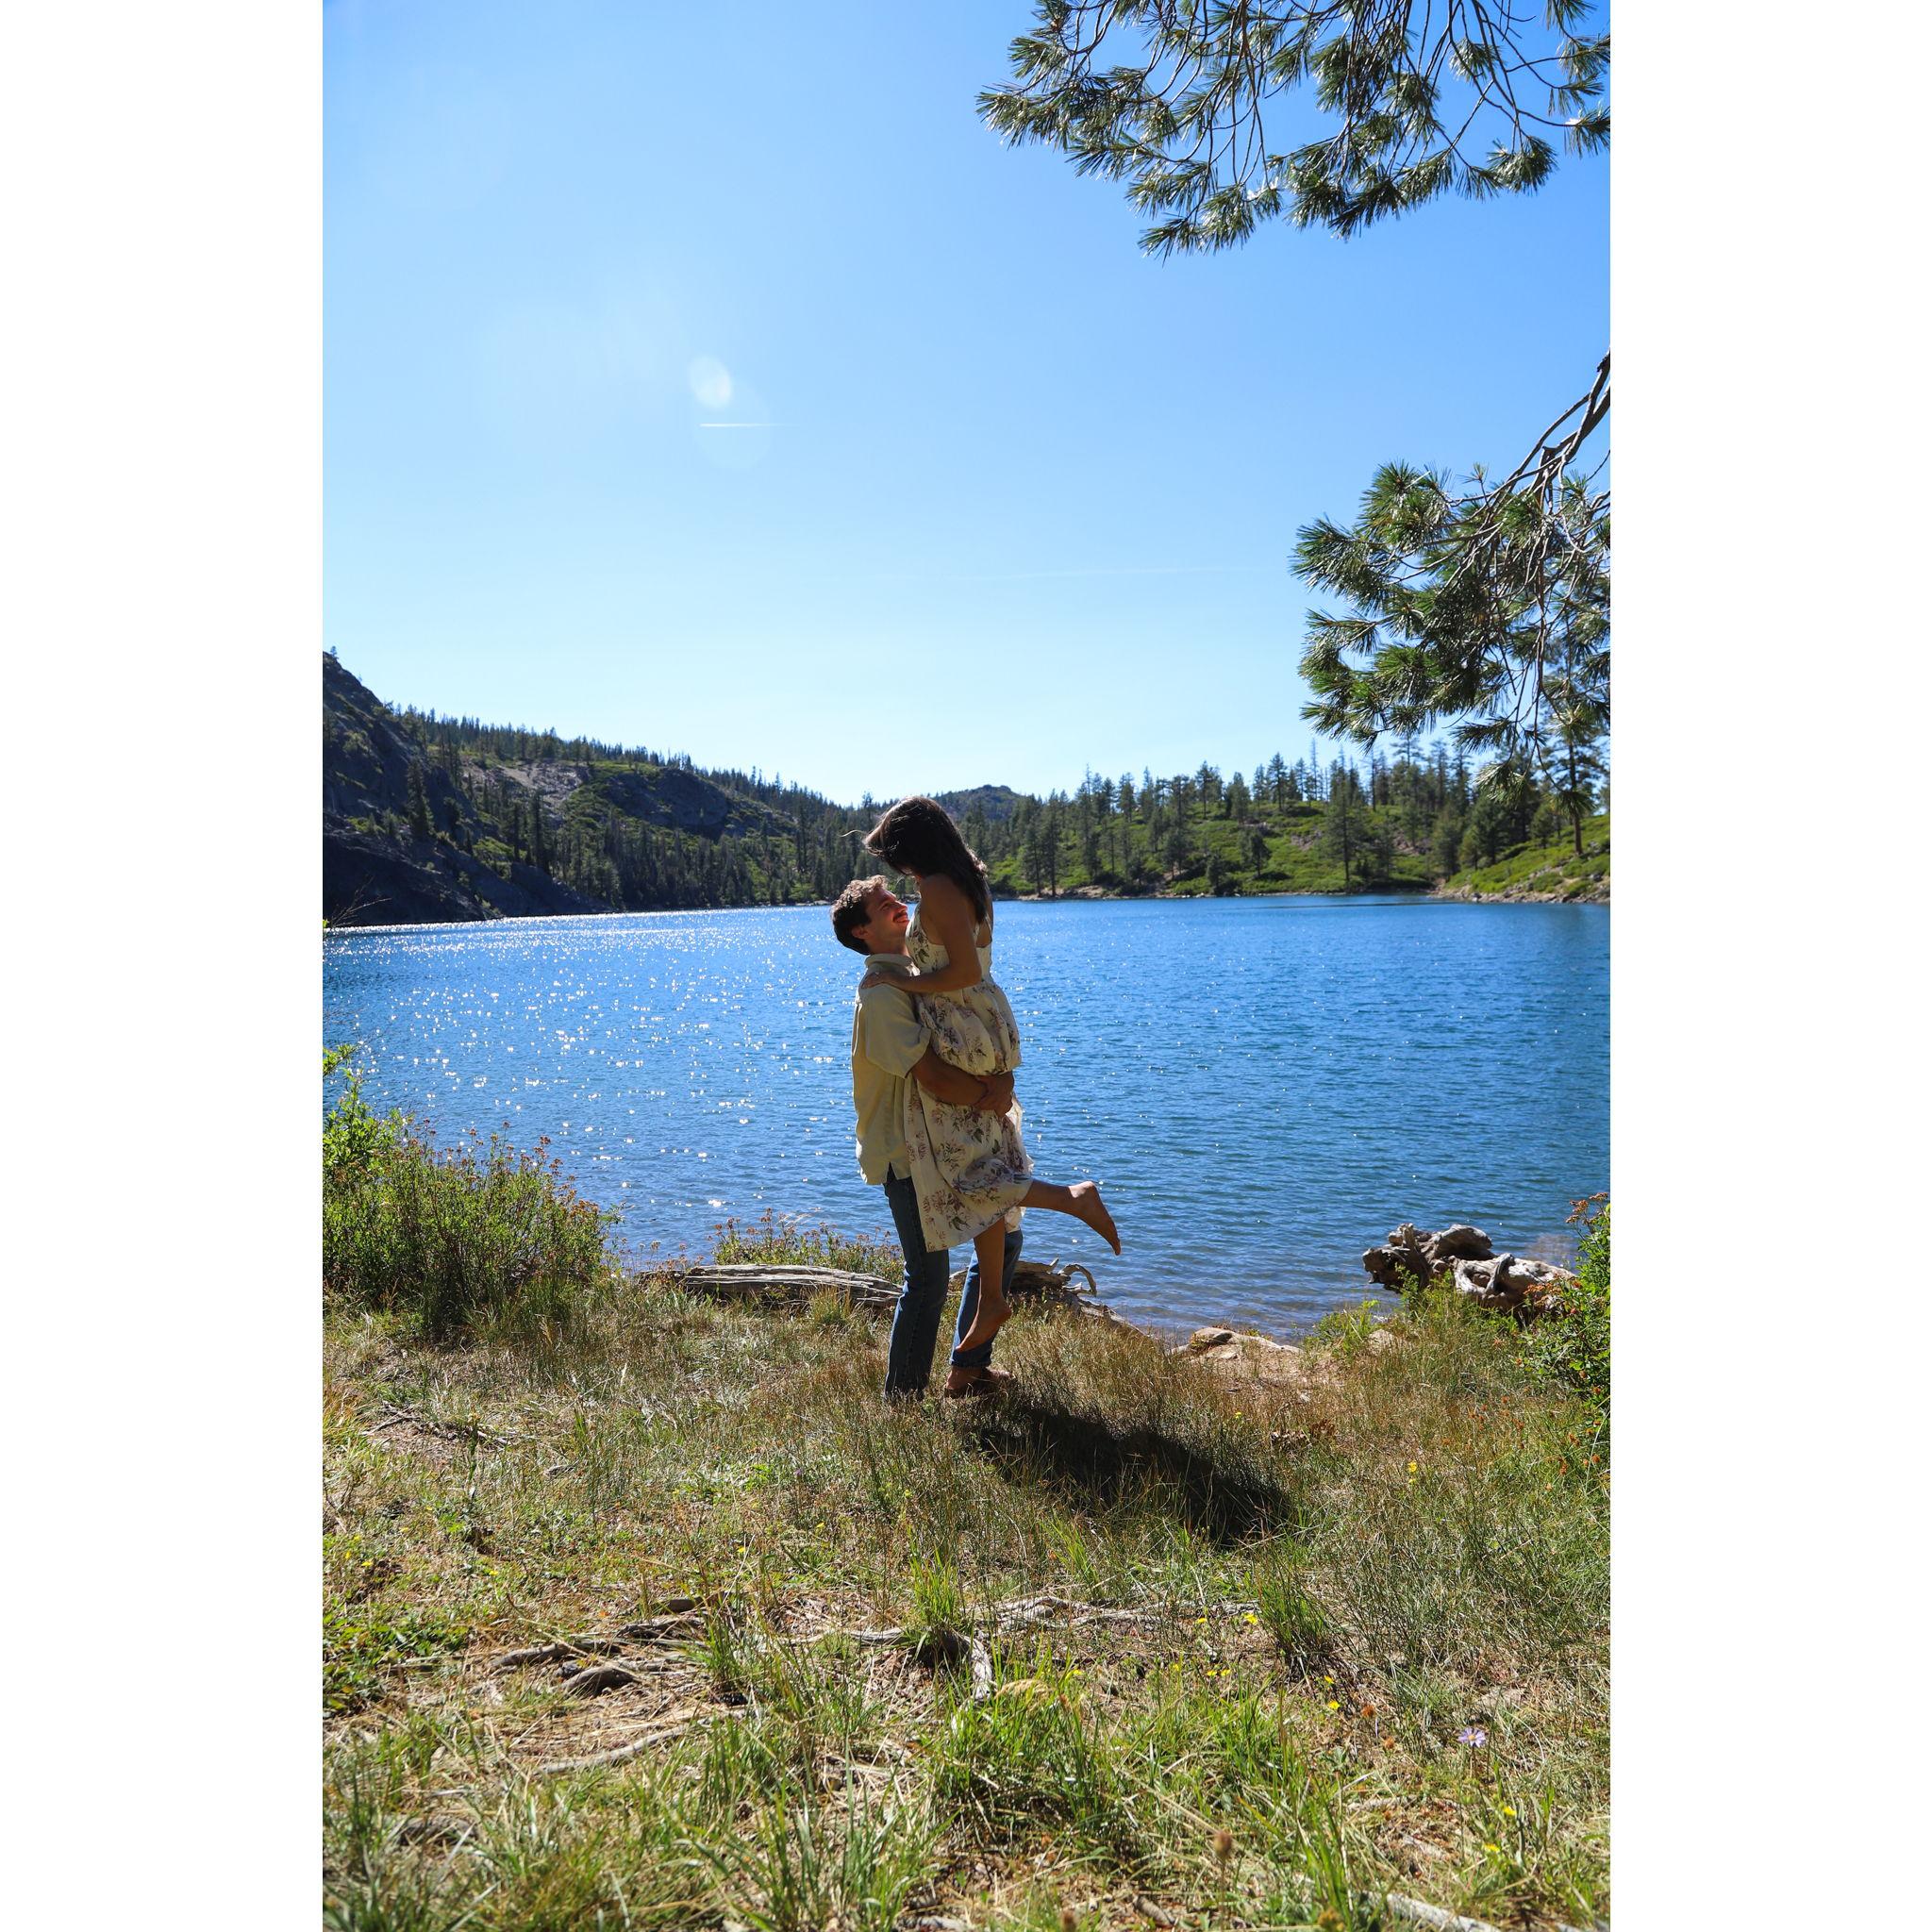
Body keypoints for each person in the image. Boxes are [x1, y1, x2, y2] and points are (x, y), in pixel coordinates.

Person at [835, 795, 1121, 1356]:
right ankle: (989, 1303)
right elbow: (964, 970)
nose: (897, 872)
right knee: (986, 1169)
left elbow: (961, 973)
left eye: (894, 856)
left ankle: (1071, 1198)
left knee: (974, 1174)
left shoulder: (939, 889)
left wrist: (903, 983)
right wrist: (998, 1078)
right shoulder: (963, 883)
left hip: (964, 1034)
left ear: (914, 845)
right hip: (976, 1031)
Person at [838, 874, 1020, 1399]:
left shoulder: (920, 974)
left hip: (947, 1139)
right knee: (927, 1274)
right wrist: (992, 1094)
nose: (898, 904)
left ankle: (969, 1369)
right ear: (861, 932)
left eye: (896, 896)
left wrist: (998, 1080)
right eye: (882, 905)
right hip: (904, 1152)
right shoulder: (880, 995)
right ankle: (903, 1400)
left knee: (1006, 1238)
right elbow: (932, 1075)